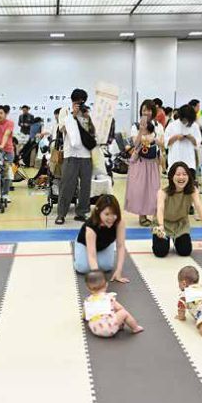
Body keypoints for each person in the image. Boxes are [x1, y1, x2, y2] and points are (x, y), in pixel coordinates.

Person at [152, 162, 202, 257]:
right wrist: (161, 225)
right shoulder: (162, 192)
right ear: (171, 177)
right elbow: (160, 209)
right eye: (178, 174)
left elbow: (198, 205)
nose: (181, 177)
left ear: (188, 177)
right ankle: (161, 238)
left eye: (184, 174)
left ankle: (177, 239)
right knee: (160, 252)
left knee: (185, 251)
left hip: (181, 224)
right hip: (163, 224)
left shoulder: (193, 190)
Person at [55, 89, 94, 225]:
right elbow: (62, 129)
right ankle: (61, 214)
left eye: (82, 101)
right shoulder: (65, 111)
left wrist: (86, 117)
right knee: (67, 185)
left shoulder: (87, 112)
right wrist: (74, 115)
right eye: (77, 101)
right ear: (72, 101)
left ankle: (82, 212)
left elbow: (92, 131)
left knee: (86, 186)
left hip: (86, 154)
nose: (80, 104)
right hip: (70, 153)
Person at [74, 194, 129, 283]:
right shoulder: (91, 226)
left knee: (107, 267)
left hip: (105, 244)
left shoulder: (120, 222)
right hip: (86, 244)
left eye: (114, 214)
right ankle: (78, 251)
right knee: (83, 268)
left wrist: (119, 271)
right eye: (107, 214)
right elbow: (92, 255)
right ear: (98, 211)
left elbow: (121, 246)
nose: (111, 218)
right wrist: (98, 279)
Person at [125, 99, 163, 226]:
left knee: (154, 189)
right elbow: (135, 144)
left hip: (153, 162)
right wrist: (141, 130)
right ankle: (142, 216)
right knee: (141, 189)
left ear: (153, 111)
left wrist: (155, 141)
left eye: (149, 110)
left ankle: (156, 215)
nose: (146, 112)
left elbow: (162, 144)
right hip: (140, 162)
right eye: (144, 110)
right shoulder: (135, 126)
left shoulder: (158, 126)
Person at [83, 270, 143, 338]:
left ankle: (117, 324)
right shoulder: (108, 297)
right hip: (108, 328)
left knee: (107, 314)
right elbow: (120, 308)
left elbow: (85, 314)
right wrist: (120, 317)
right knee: (123, 312)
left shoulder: (88, 300)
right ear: (106, 284)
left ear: (88, 288)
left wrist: (85, 318)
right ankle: (135, 328)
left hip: (95, 328)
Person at [164, 104, 201, 176]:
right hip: (175, 159)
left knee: (190, 180)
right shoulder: (172, 125)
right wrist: (175, 137)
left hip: (189, 161)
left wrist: (191, 138)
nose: (186, 121)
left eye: (188, 120)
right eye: (184, 119)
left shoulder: (194, 126)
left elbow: (197, 143)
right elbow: (166, 143)